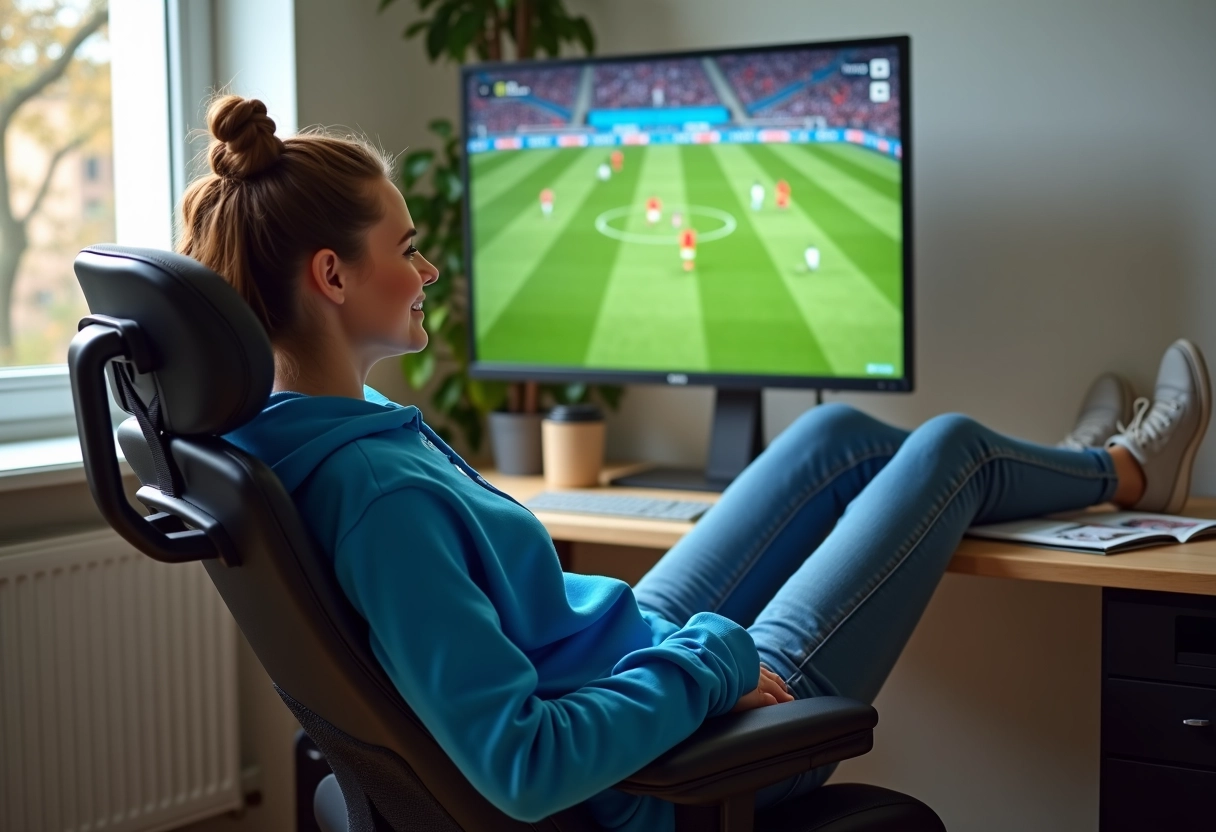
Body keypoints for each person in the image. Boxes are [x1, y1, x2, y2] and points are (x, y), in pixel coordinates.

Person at [186, 97, 1211, 832]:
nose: (425, 270)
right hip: (660, 774)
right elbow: (523, 764)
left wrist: (668, 649)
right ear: (331, 275)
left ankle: (1075, 466)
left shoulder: (306, 428)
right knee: (947, 450)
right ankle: (1120, 470)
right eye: (407, 247)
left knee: (836, 436)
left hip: (621, 665)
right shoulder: (373, 499)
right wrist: (712, 661)